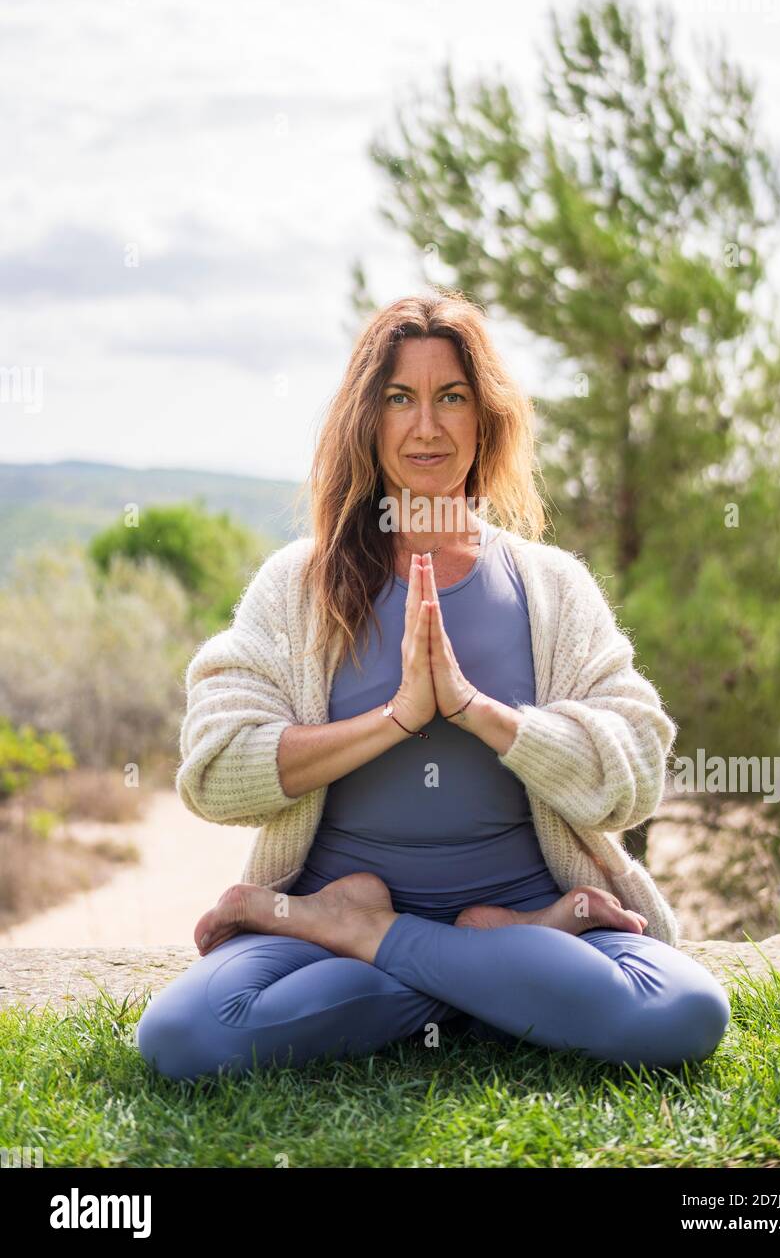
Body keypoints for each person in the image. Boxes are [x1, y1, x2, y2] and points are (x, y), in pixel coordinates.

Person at [135, 292, 731, 1082]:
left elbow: (637, 772)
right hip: (453, 936)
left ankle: (373, 939)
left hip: (513, 918)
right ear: (367, 419)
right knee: (185, 1038)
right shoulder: (298, 585)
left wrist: (480, 714)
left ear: (485, 419)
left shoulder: (550, 586)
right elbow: (213, 769)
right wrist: (395, 718)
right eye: (399, 399)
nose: (426, 426)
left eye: (452, 397)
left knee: (686, 1010)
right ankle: (479, 977)